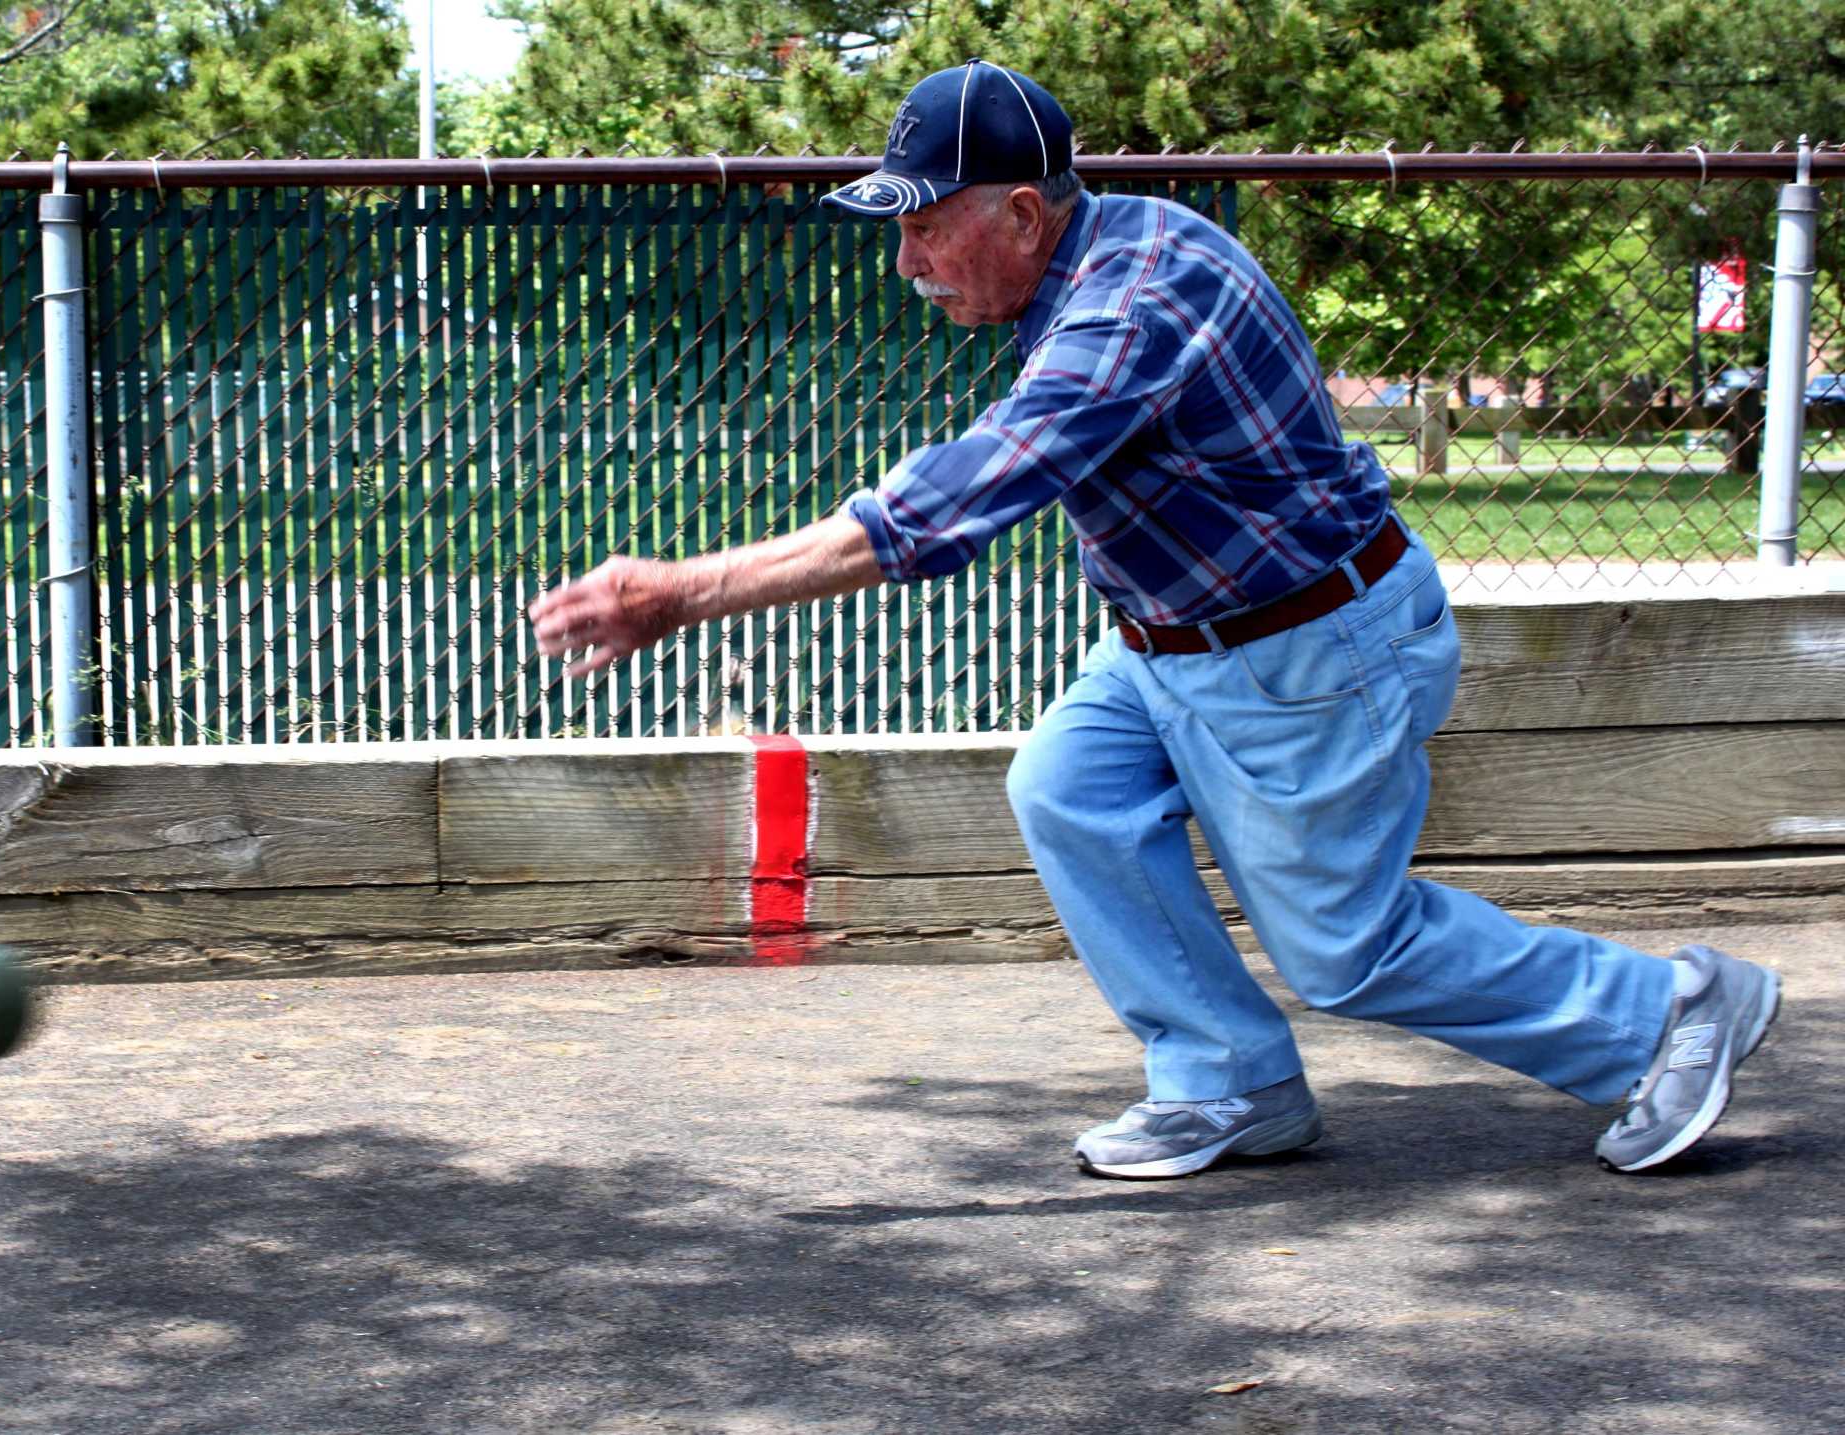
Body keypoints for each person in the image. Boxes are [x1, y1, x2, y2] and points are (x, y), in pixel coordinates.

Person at [529, 61, 1780, 1179]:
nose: (904, 263)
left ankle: (1661, 1011)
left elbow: (955, 500)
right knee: (1069, 787)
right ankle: (1227, 1080)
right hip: (1171, 645)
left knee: (1346, 949)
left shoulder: (1137, 297)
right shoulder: (1095, 256)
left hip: (1310, 653)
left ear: (1020, 213)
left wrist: (679, 590)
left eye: (921, 228)